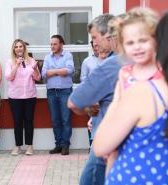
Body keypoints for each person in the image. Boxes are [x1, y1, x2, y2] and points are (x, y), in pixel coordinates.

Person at [93, 8, 168, 185]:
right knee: (111, 157)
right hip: (125, 128)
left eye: (143, 41)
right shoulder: (125, 72)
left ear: (156, 41)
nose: (137, 47)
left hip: (137, 136)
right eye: (130, 43)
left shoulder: (158, 74)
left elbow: (100, 145)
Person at [67, 13, 117, 185]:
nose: (94, 43)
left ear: (109, 34)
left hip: (106, 139)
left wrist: (90, 110)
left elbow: (73, 102)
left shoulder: (113, 64)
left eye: (95, 37)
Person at [5, 39, 41, 156]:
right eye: (16, 47)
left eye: (21, 46)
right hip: (15, 96)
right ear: (13, 49)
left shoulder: (31, 61)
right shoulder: (10, 62)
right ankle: (18, 146)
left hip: (30, 95)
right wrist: (16, 65)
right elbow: (9, 77)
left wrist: (35, 69)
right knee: (17, 121)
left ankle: (30, 146)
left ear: (24, 48)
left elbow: (38, 78)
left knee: (29, 120)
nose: (19, 48)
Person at [41, 34, 74, 155]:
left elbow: (69, 71)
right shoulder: (47, 57)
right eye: (51, 44)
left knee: (66, 119)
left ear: (61, 44)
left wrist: (53, 71)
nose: (52, 46)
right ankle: (58, 145)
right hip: (51, 92)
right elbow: (44, 73)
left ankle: (65, 145)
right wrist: (59, 71)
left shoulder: (68, 55)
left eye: (55, 44)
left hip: (65, 91)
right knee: (55, 120)